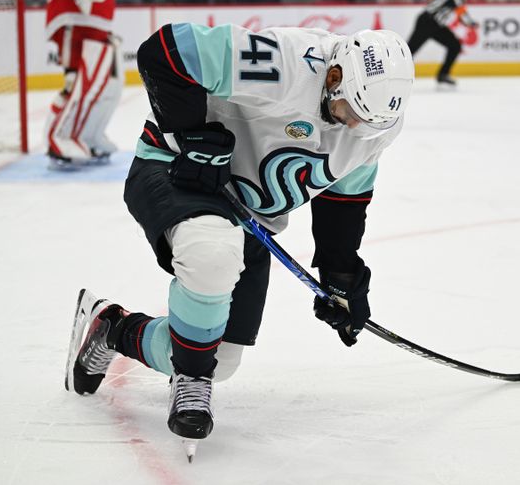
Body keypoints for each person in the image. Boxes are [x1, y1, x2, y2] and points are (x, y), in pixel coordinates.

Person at [64, 24, 414, 457]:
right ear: (335, 75)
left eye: (368, 123)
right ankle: (191, 382)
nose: (356, 127)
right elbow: (166, 51)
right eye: (351, 113)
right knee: (211, 255)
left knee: (222, 359)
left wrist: (341, 273)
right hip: (176, 170)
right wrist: (192, 137)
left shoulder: (375, 125)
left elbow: (347, 192)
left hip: (246, 216)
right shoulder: (287, 61)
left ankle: (112, 329)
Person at [44, 0, 138, 165]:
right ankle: (59, 137)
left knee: (108, 87)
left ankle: (88, 135)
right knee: (75, 83)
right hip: (76, 22)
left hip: (96, 25)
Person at [407, 0, 478, 88]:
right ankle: (391, 72)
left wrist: (469, 22)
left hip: (434, 23)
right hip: (428, 22)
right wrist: (470, 22)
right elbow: (460, 10)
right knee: (409, 51)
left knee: (455, 45)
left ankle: (443, 75)